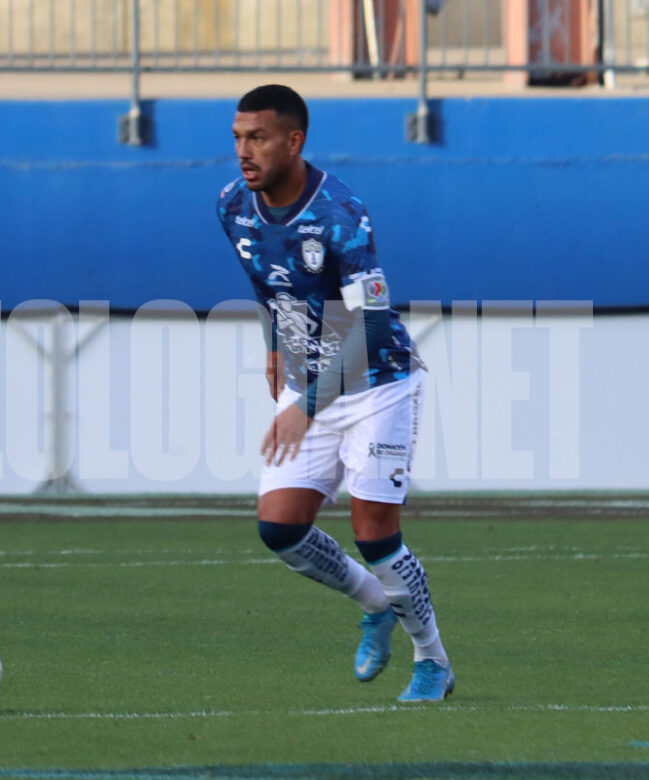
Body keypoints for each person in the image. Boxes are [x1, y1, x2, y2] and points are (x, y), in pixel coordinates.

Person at [216, 84, 454, 701]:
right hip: (307, 381)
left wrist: (306, 405)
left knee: (374, 533)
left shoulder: (342, 216)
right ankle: (376, 606)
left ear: (294, 142)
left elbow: (370, 323)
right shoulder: (232, 206)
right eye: (238, 137)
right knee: (280, 528)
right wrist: (274, 345)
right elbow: (269, 283)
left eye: (258, 138)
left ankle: (432, 660)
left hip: (377, 382)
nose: (245, 151)